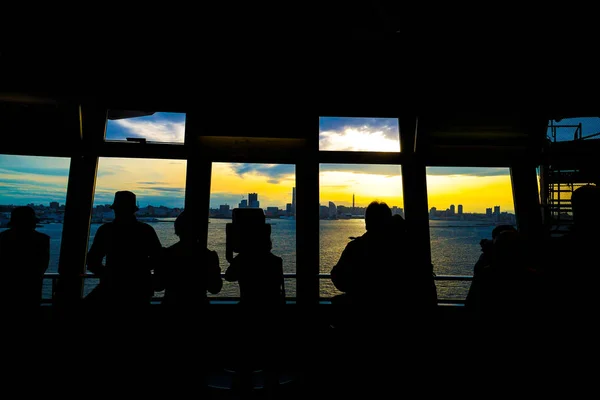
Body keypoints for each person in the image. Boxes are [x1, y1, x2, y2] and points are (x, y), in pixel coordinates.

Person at [330, 201, 437, 327]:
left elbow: (338, 278)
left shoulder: (356, 248)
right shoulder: (406, 247)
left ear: (367, 223)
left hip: (361, 316)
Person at [85, 191, 162, 320]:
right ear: (134, 210)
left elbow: (92, 261)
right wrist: (140, 270)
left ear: (115, 209)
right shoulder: (146, 230)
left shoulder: (106, 230)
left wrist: (109, 274)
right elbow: (158, 258)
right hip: (140, 289)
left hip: (111, 288)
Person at [154, 211, 222, 316]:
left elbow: (158, 286)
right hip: (198, 306)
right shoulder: (209, 256)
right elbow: (215, 288)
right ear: (200, 230)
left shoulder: (167, 254)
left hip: (171, 306)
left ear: (177, 229)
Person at [0, 206, 50, 322]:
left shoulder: (3, 238)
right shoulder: (42, 240)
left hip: (6, 290)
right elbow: (43, 265)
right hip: (32, 291)